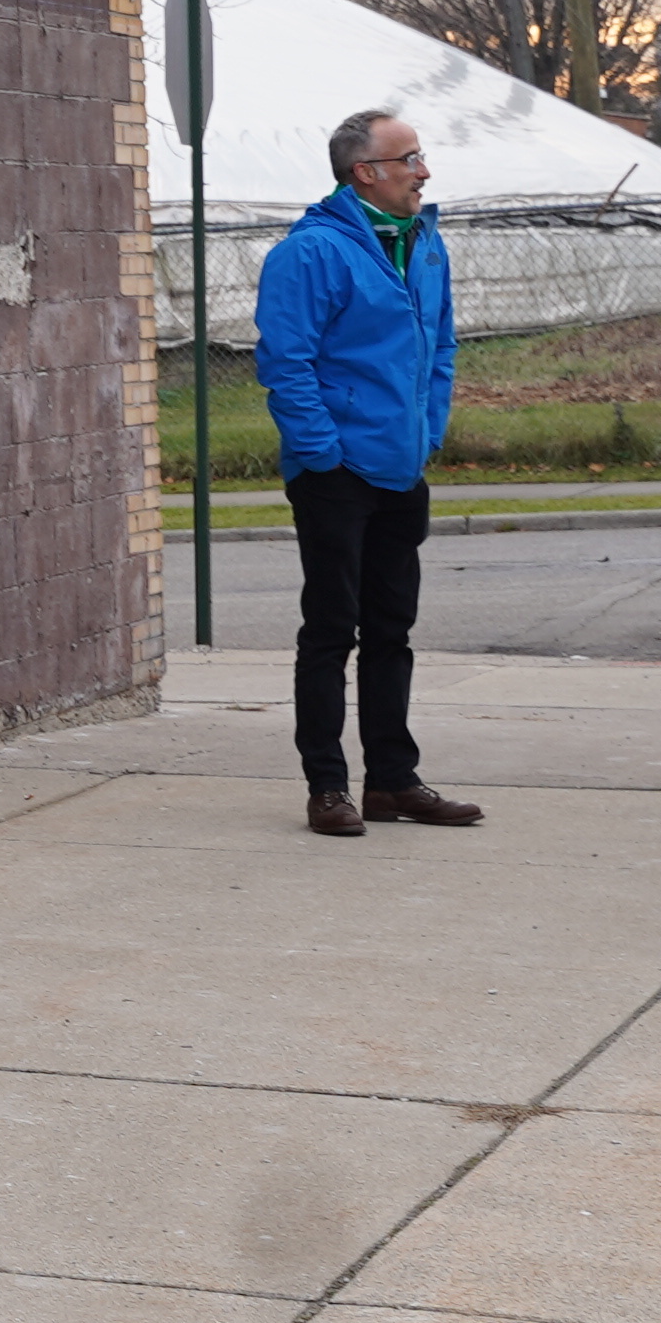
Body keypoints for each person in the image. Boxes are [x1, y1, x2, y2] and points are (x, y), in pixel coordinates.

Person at [259, 106, 485, 838]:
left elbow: (441, 346)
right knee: (331, 629)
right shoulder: (312, 253)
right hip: (336, 473)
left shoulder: (425, 244)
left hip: (401, 466)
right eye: (410, 157)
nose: (424, 171)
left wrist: (428, 432)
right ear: (367, 172)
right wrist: (323, 453)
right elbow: (285, 363)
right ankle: (328, 786)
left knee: (393, 629)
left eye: (420, 157)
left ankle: (393, 780)